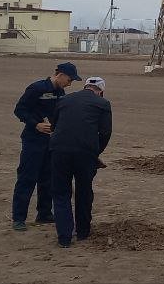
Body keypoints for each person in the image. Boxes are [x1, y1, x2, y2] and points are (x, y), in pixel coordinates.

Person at [12, 62, 79, 231]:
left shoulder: (60, 92)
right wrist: (36, 124)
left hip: (52, 142)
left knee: (48, 179)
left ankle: (44, 213)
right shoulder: (36, 88)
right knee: (27, 178)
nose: (70, 84)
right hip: (33, 140)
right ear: (60, 75)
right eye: (69, 80)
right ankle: (18, 218)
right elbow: (20, 110)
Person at [49, 76, 112, 248]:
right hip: (85, 153)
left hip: (59, 151)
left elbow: (54, 125)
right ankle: (83, 232)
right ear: (101, 91)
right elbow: (105, 133)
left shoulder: (64, 99)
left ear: (85, 87)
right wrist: (96, 152)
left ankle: (64, 237)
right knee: (84, 191)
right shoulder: (103, 104)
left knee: (61, 193)